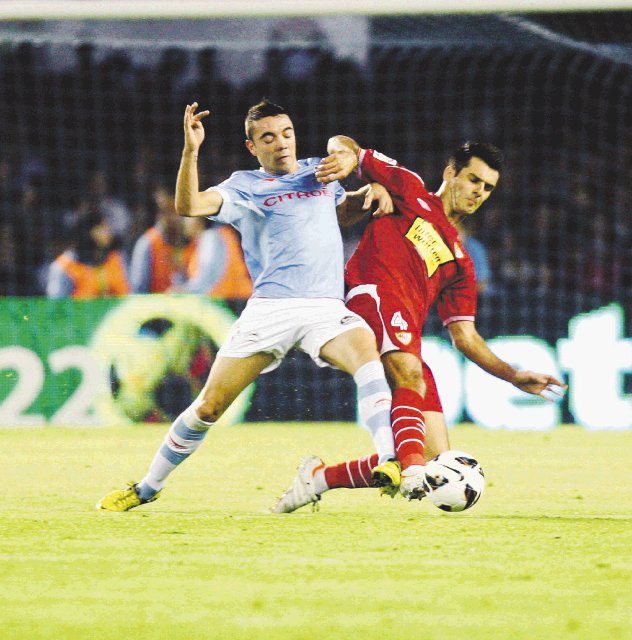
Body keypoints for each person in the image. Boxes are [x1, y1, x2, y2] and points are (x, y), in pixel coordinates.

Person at [96, 99, 398, 511]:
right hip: (270, 310)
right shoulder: (245, 186)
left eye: (286, 133)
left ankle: (389, 459)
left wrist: (370, 190)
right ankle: (146, 487)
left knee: (368, 358)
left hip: (326, 307)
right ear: (252, 146)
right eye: (268, 138)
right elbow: (189, 206)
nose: (281, 144)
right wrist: (191, 151)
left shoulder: (320, 172)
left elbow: (344, 209)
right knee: (209, 405)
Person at [272, 136, 566, 513]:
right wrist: (345, 158)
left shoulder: (462, 262)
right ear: (451, 172)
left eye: (488, 187)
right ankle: (408, 467)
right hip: (369, 298)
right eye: (474, 180)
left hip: (402, 334)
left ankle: (319, 478)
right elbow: (346, 145)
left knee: (435, 463)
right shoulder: (409, 189)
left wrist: (513, 375)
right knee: (411, 382)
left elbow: (466, 337)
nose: (479, 192)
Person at [46, 212, 129, 299]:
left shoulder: (117, 259)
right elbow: (57, 306)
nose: (108, 232)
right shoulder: (64, 266)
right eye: (101, 227)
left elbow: (129, 297)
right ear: (88, 232)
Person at [129, 184, 189, 293]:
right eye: (169, 212)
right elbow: (138, 292)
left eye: (178, 212)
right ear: (160, 215)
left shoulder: (190, 240)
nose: (175, 218)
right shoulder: (147, 244)